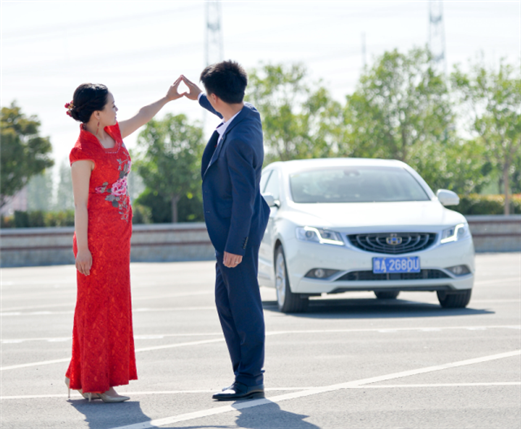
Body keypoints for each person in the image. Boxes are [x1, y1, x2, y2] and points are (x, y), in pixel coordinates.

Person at [64, 79, 185, 402]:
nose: (117, 110)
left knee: (115, 305)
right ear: (96, 114)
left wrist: (167, 98)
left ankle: (83, 374)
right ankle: (97, 383)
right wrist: (84, 249)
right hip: (95, 240)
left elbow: (143, 115)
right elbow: (79, 205)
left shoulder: (113, 134)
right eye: (112, 105)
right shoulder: (82, 152)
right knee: (95, 308)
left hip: (119, 237)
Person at [182, 61, 270, 401]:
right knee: (226, 300)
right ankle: (244, 374)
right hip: (235, 229)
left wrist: (235, 245)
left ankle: (250, 378)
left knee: (244, 303)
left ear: (217, 96)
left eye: (209, 96)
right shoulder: (249, 115)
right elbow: (226, 107)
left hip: (238, 231)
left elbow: (244, 198)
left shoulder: (238, 141)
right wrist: (199, 98)